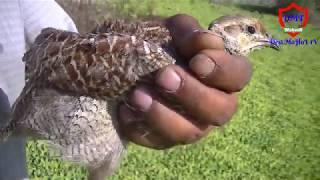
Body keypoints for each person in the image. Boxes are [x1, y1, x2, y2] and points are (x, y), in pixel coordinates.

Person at [0, 0, 252, 179]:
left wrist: (122, 39)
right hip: (32, 111)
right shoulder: (156, 61)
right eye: (249, 31)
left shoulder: (174, 55)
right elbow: (62, 58)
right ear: (227, 31)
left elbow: (61, 43)